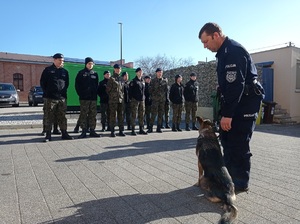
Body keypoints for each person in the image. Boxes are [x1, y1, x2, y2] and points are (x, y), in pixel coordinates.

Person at [198, 22, 265, 192]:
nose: (205, 46)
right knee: (227, 140)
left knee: (239, 143)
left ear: (216, 35)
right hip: (236, 103)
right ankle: (228, 180)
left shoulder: (233, 51)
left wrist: (227, 115)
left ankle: (240, 183)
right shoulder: (223, 53)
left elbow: (236, 85)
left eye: (206, 41)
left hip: (246, 103)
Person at [40, 53, 73, 142]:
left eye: (62, 60)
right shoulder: (48, 70)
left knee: (62, 116)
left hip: (62, 98)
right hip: (50, 97)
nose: (61, 62)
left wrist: (63, 93)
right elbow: (43, 83)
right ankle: (48, 135)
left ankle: (64, 133)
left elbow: (67, 84)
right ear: (54, 60)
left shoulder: (64, 72)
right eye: (59, 60)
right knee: (49, 116)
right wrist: (48, 92)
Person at [75, 57, 100, 138]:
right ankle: (84, 131)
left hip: (93, 98)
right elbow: (77, 86)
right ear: (86, 64)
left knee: (93, 114)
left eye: (92, 64)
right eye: (89, 63)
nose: (90, 65)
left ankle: (92, 130)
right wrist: (81, 94)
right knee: (84, 114)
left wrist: (95, 94)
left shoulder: (95, 74)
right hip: (84, 98)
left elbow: (97, 86)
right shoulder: (81, 73)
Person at [106, 64, 126, 137]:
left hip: (120, 100)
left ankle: (121, 130)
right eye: (117, 69)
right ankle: (112, 131)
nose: (118, 70)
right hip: (113, 100)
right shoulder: (111, 79)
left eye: (119, 69)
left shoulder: (121, 79)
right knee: (113, 115)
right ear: (114, 69)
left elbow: (122, 90)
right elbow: (107, 90)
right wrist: (113, 95)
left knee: (121, 115)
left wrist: (121, 96)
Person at [148, 68, 168, 133]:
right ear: (156, 73)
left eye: (161, 72)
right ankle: (150, 127)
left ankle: (159, 128)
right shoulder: (153, 81)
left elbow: (166, 90)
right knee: (153, 114)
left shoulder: (165, 81)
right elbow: (150, 90)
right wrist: (154, 96)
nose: (160, 73)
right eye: (158, 72)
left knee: (160, 114)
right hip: (155, 100)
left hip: (162, 100)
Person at [129, 67, 147, 135]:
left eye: (141, 72)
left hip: (142, 100)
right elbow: (130, 92)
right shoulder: (133, 81)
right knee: (134, 115)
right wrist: (132, 99)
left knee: (142, 115)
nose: (140, 73)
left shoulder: (143, 81)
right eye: (139, 72)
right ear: (136, 73)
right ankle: (133, 130)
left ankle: (141, 129)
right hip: (135, 100)